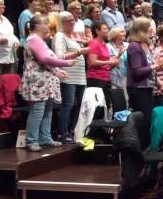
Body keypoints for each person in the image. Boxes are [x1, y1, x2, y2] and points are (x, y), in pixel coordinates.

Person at [20, 15, 74, 151]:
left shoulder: (40, 40)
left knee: (47, 111)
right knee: (37, 111)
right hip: (38, 80)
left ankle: (45, 138)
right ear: (37, 26)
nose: (48, 26)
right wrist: (65, 63)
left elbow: (46, 61)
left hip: (45, 80)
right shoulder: (34, 39)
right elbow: (44, 59)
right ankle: (31, 140)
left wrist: (57, 71)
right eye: (45, 23)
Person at [53, 11, 89, 143]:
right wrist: (79, 51)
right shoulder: (60, 36)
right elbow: (59, 56)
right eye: (69, 20)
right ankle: (62, 132)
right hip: (68, 75)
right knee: (68, 104)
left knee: (80, 104)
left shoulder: (72, 36)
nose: (73, 22)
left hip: (79, 75)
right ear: (62, 23)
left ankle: (74, 129)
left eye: (73, 20)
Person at [87, 21, 120, 115]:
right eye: (104, 29)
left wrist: (116, 59)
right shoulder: (94, 43)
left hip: (105, 77)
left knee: (106, 104)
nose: (107, 31)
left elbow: (105, 61)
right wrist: (110, 61)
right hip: (95, 78)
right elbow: (93, 62)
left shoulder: (103, 43)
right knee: (98, 106)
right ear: (97, 31)